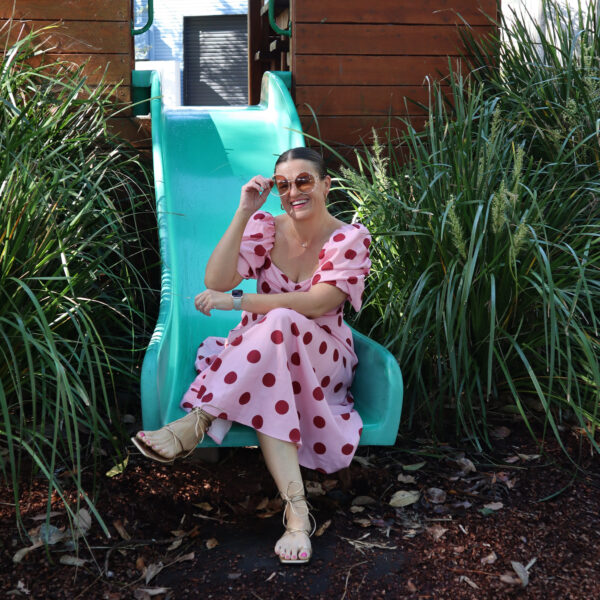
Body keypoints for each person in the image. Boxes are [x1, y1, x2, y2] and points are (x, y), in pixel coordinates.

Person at [132, 147, 371, 564]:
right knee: (272, 356)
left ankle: (199, 420)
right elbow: (215, 278)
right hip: (265, 361)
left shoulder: (349, 237)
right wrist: (244, 212)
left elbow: (316, 304)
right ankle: (298, 517)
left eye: (303, 181)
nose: (293, 190)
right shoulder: (267, 227)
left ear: (326, 185)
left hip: (323, 361)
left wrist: (238, 301)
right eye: (283, 184)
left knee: (280, 319)